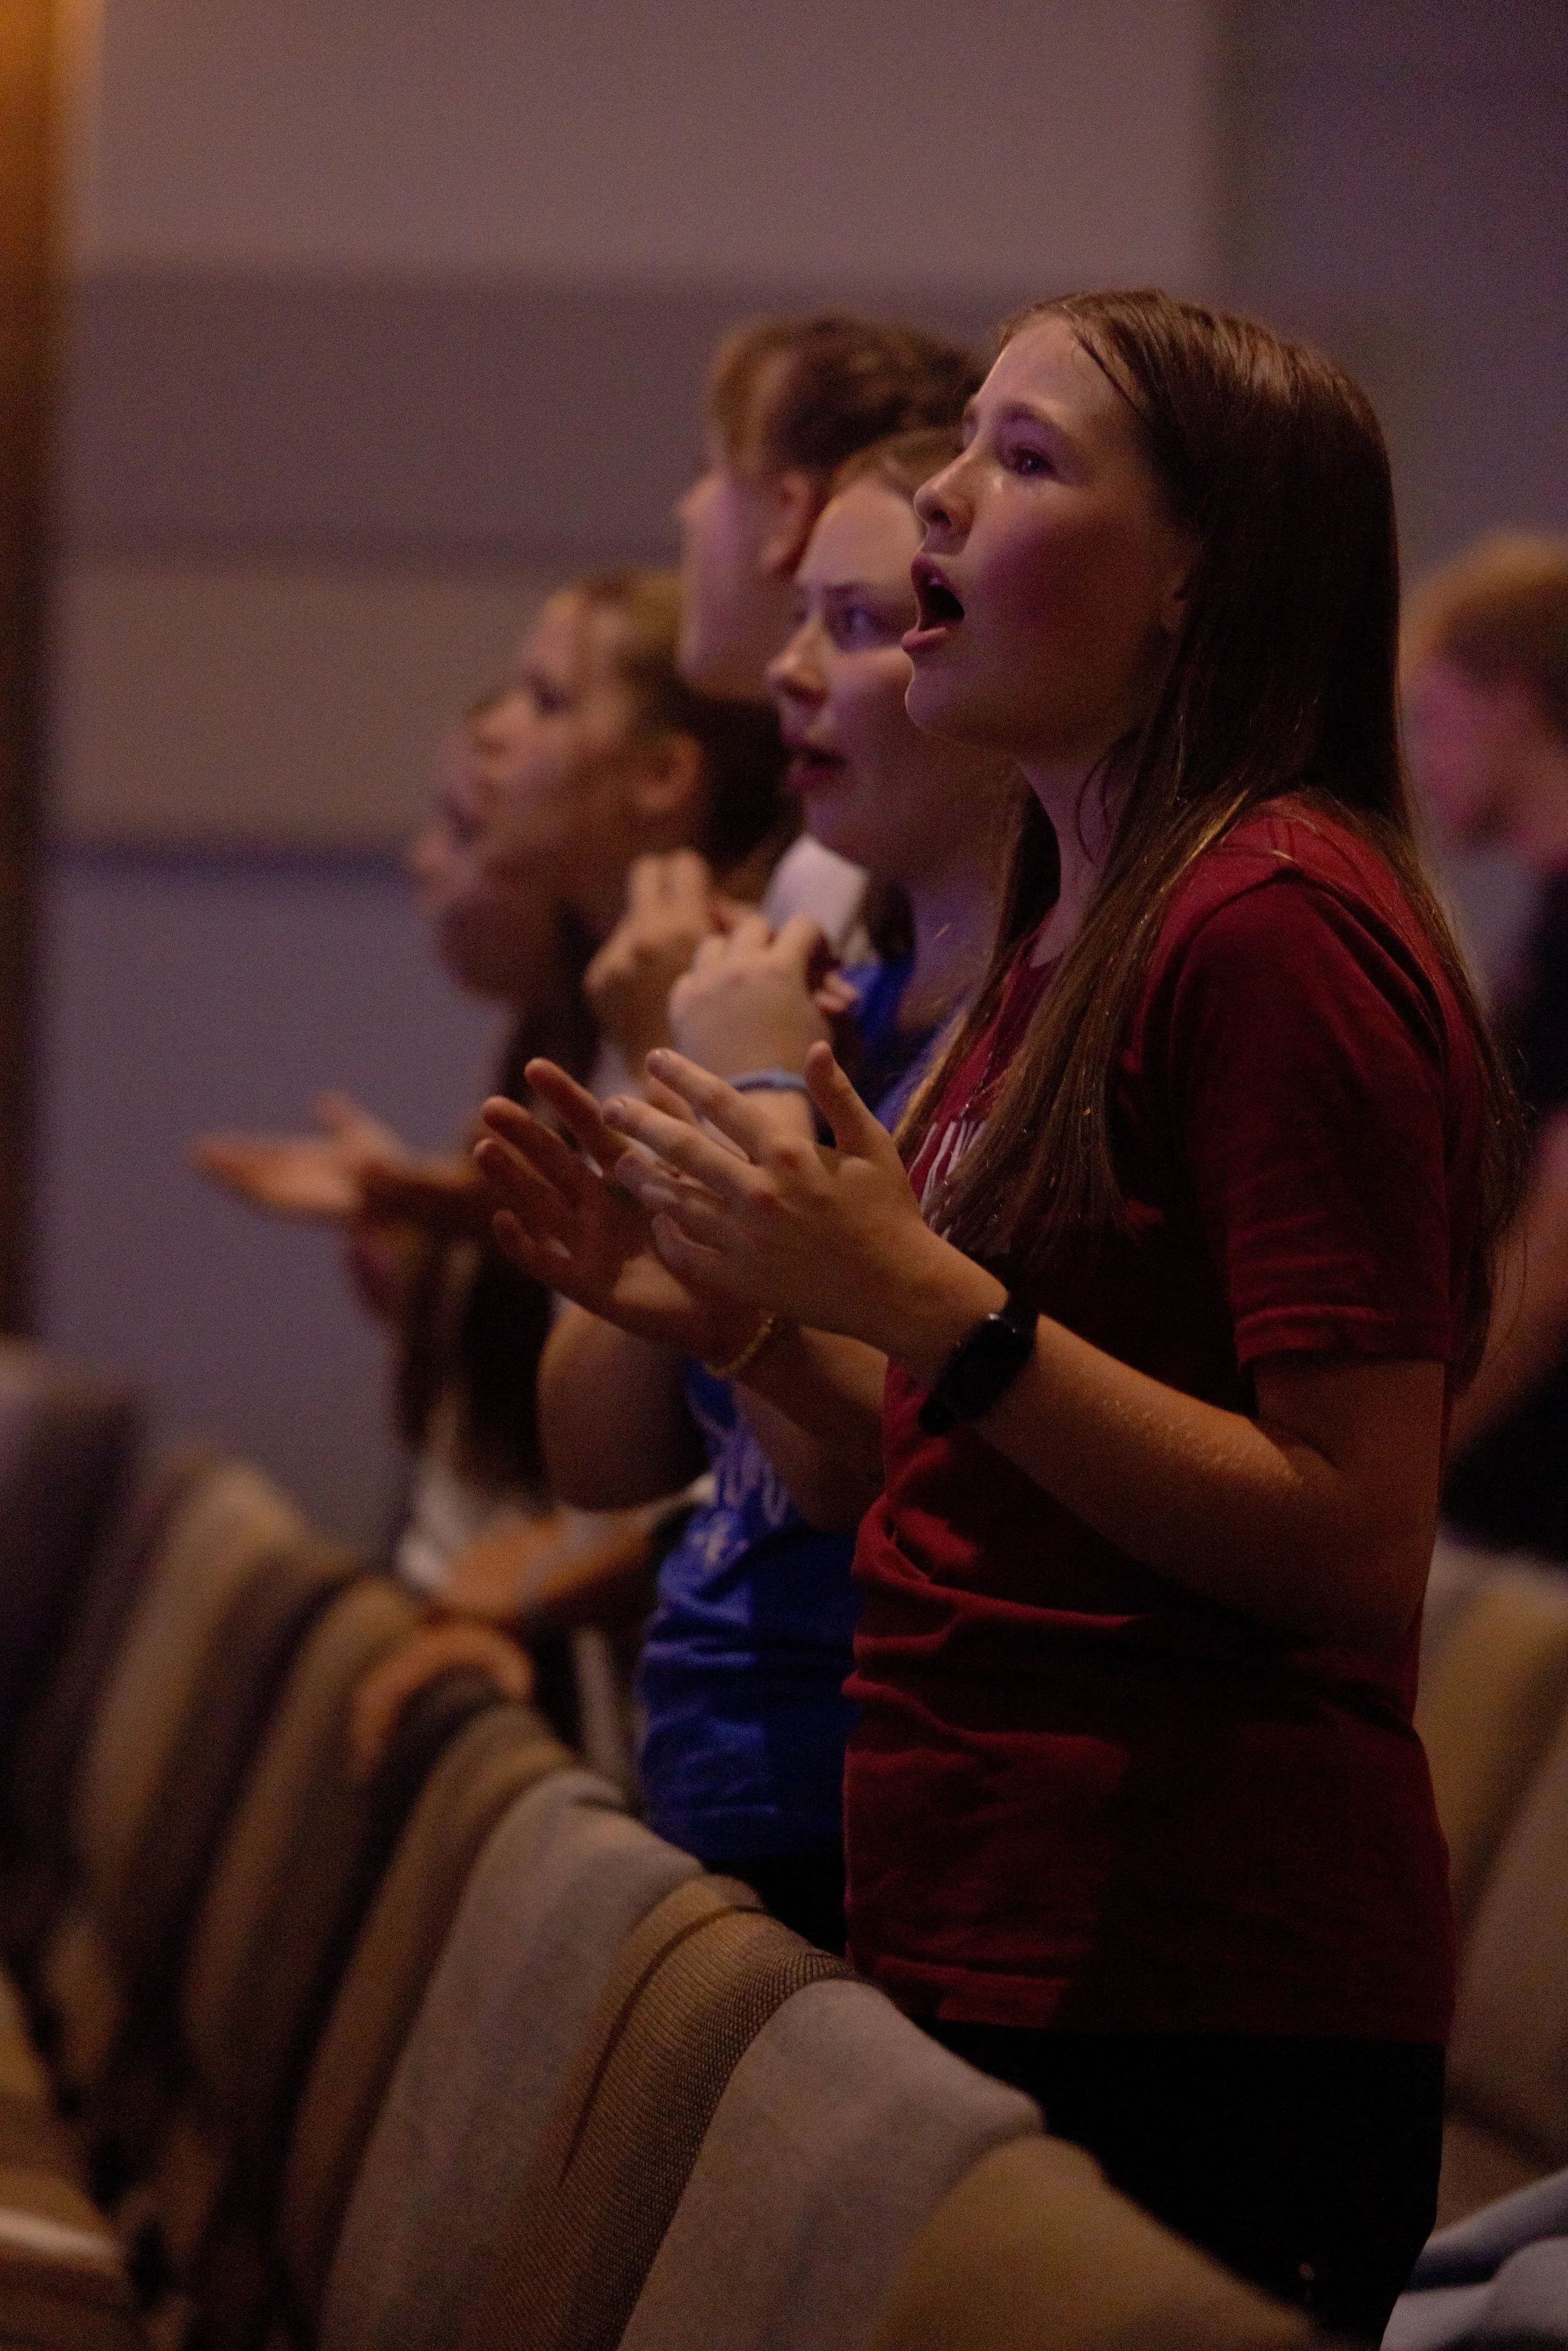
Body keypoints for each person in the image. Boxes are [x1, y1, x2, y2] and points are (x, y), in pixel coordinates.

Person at [484, 291, 1523, 2338]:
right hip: (993, 1921)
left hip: (1194, 1987)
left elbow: (1350, 1525)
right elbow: (967, 1449)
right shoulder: (1072, 931)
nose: (945, 491)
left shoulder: (1271, 921)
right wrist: (740, 1306)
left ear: (1194, 579)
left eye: (1027, 461)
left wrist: (917, 1296)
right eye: (967, 442)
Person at [477, 427, 1010, 1949]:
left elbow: (865, 1466)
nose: (786, 673)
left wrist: (750, 1093)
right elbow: (594, 1445)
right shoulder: (840, 990)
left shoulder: (995, 1046)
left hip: (854, 1818)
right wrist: (686, 1093)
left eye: (850, 625)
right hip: (712, 1781)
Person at [195, 571, 787, 1687]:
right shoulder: (582, 1009)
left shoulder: (728, 992)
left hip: (641, 1676)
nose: (495, 740)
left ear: (665, 776)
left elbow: (732, 1438)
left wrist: (527, 1601)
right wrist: (428, 1239)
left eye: (547, 701)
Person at [582, 314, 985, 1074]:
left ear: (790, 509)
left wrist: (671, 1058)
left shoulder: (843, 871)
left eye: (709, 468)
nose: (686, 509)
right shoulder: (851, 884)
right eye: (805, 615)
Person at [1404, 534, 1568, 1560]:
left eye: (1429, 721)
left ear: (1510, 698)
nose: (1420, 765)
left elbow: (1556, 1254)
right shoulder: (1546, 928)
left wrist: (1396, 1460)